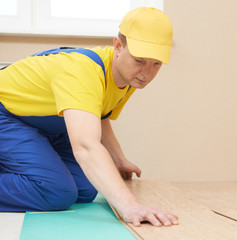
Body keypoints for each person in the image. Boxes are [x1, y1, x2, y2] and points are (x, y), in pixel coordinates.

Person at [0, 7, 178, 227]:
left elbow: (100, 116)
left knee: (85, 189)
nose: (147, 73)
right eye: (140, 60)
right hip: (7, 115)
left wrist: (119, 159)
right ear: (118, 46)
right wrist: (131, 206)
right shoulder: (83, 71)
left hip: (44, 126)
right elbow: (85, 147)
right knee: (56, 192)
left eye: (156, 64)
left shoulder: (127, 77)